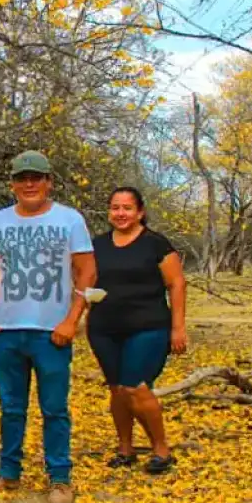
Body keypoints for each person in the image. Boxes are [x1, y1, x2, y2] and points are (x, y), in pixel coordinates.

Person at [0, 150, 97, 503]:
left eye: (37, 177)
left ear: (49, 182)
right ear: (12, 184)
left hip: (52, 332)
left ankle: (60, 478)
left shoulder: (69, 220)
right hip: (8, 330)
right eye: (22, 178)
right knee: (11, 408)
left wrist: (72, 318)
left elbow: (87, 273)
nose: (30, 184)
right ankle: (8, 472)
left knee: (54, 408)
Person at [88, 187, 187, 475]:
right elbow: (86, 280)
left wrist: (178, 327)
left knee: (135, 385)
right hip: (104, 328)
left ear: (140, 212)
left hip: (148, 327)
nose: (121, 213)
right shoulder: (98, 245)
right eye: (115, 207)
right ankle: (125, 449)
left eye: (127, 208)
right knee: (118, 389)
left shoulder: (156, 244)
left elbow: (177, 285)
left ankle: (161, 450)